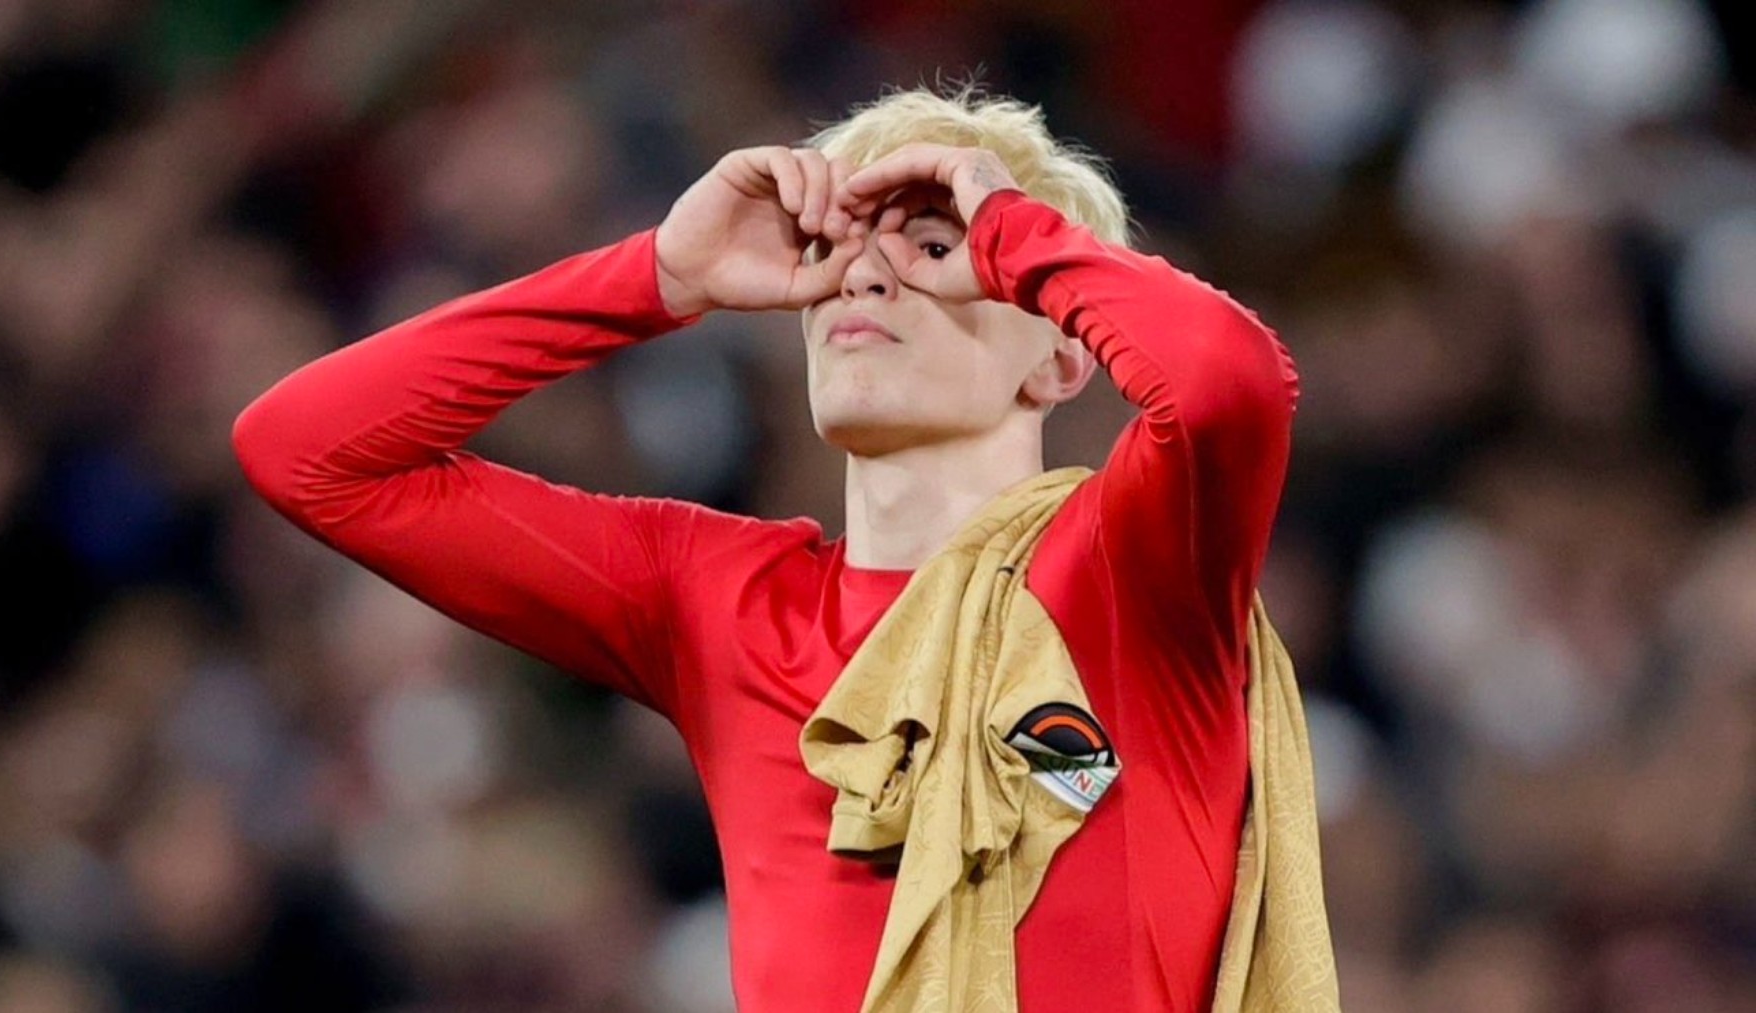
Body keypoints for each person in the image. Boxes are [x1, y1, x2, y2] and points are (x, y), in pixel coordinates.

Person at [234, 86, 1305, 1012]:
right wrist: (657, 275)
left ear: (1061, 357)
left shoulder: (1134, 568)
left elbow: (1229, 380)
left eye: (934, 249)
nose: (866, 280)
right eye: (839, 252)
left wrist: (1016, 230)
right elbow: (308, 451)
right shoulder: (716, 599)